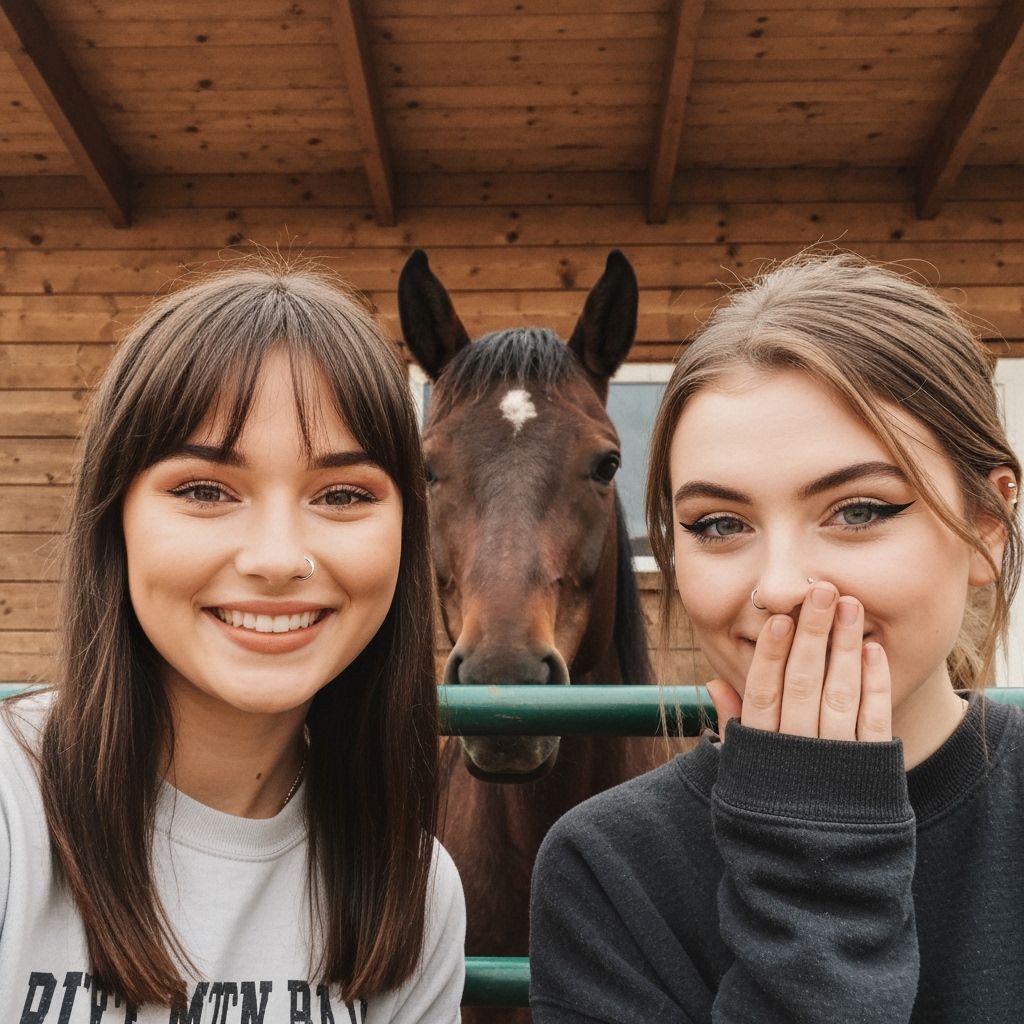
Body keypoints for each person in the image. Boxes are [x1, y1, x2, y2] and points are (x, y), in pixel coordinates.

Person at [529, 252, 1024, 1023]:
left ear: (987, 528)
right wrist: (813, 882)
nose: (782, 586)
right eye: (719, 525)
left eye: (858, 510)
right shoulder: (607, 871)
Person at [0, 262, 465, 1021]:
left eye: (343, 495)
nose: (278, 558)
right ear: (115, 520)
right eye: (205, 491)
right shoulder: (10, 814)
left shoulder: (414, 889)